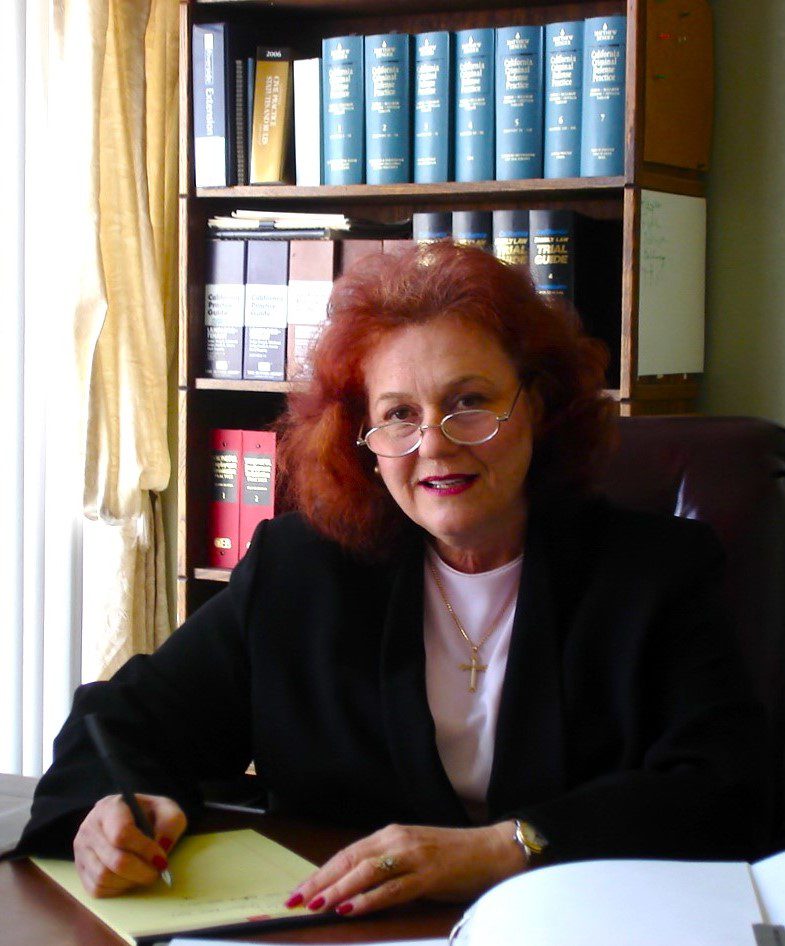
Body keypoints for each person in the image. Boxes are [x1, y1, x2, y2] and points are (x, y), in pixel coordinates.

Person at [13, 242, 770, 916]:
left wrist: (511, 845)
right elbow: (127, 720)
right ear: (364, 442)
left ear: (535, 407)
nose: (433, 446)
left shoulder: (652, 573)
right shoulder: (299, 571)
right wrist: (120, 806)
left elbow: (729, 789)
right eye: (398, 415)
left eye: (469, 403)